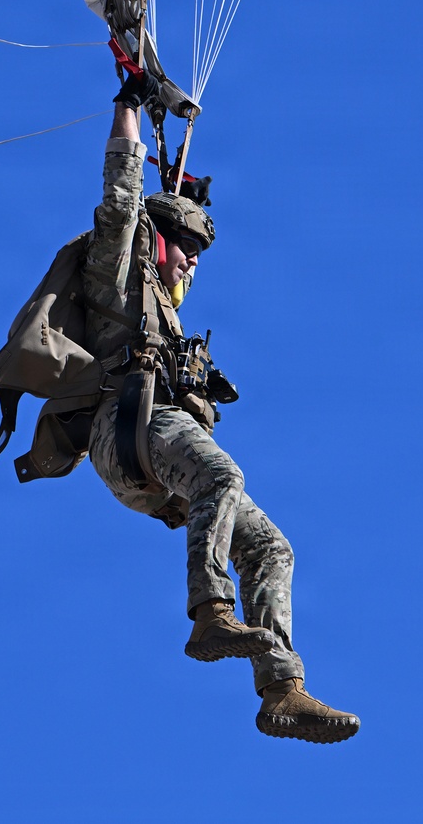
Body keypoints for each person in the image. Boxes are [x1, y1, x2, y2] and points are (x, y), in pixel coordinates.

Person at [83, 66, 360, 744]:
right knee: (224, 477)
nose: (191, 266)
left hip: (156, 456)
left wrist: (177, 181)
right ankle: (210, 611)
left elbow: (163, 215)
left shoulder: (167, 315)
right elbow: (122, 202)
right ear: (157, 244)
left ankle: (281, 687)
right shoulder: (117, 273)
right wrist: (127, 105)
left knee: (271, 547)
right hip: (131, 426)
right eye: (185, 252)